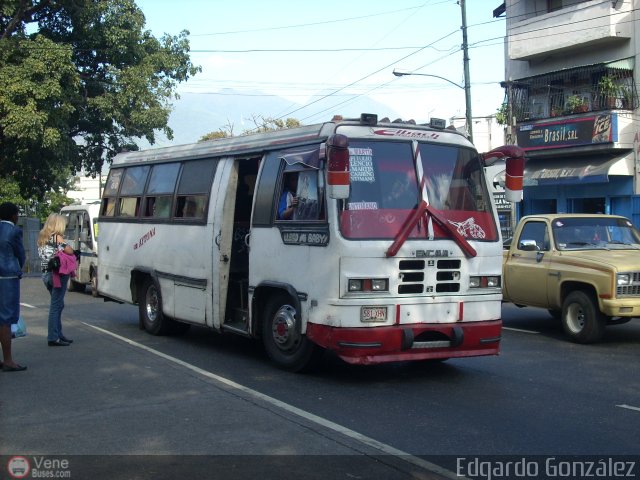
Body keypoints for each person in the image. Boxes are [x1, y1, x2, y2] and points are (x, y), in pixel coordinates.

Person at [38, 213, 76, 346]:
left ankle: (59, 334)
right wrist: (67, 244)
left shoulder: (43, 236)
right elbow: (70, 251)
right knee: (56, 306)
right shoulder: (56, 237)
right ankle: (53, 337)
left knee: (59, 304)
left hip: (45, 274)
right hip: (57, 275)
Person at [0, 202, 27, 371]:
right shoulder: (14, 231)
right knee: (6, 319)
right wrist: (19, 268)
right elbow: (21, 255)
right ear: (13, 216)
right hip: (8, 277)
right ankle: (8, 360)